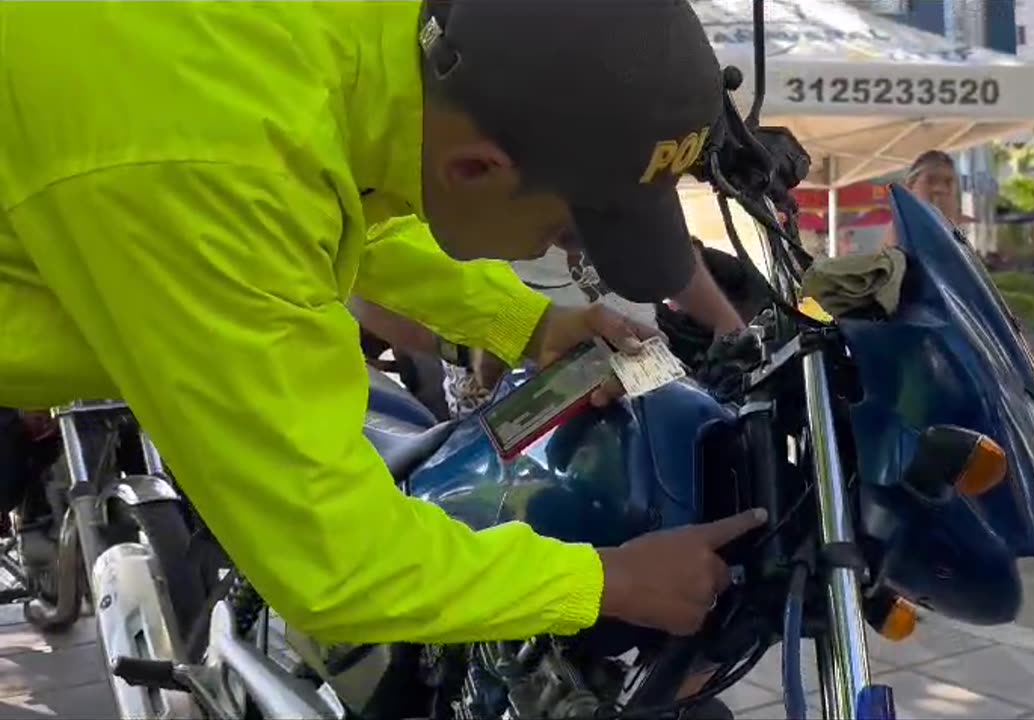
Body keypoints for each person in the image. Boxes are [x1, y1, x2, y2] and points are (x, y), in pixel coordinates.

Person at [0, 0, 767, 647]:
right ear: (479, 169)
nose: (569, 257)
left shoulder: (373, 44)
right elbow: (333, 562)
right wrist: (606, 581)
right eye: (568, 234)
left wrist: (526, 321)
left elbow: (345, 191)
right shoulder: (206, 163)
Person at [421, 233, 746, 417]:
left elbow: (659, 237)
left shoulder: (630, 132)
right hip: (519, 407)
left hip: (642, 373)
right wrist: (519, 337)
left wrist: (730, 327)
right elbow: (386, 290)